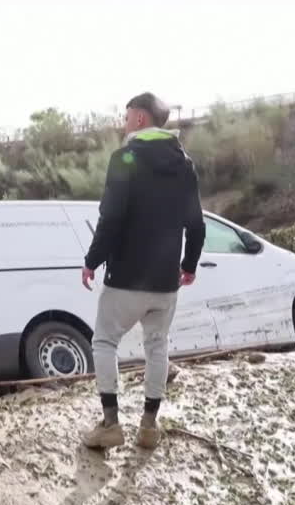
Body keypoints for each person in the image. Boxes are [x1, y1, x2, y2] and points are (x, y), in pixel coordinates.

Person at [81, 92, 206, 450]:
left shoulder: (125, 158)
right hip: (166, 281)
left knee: (104, 341)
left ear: (138, 119)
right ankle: (149, 426)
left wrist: (91, 260)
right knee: (157, 346)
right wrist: (189, 265)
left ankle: (110, 424)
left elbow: (111, 218)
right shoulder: (184, 163)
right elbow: (195, 223)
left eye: (126, 117)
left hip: (126, 277)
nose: (123, 124)